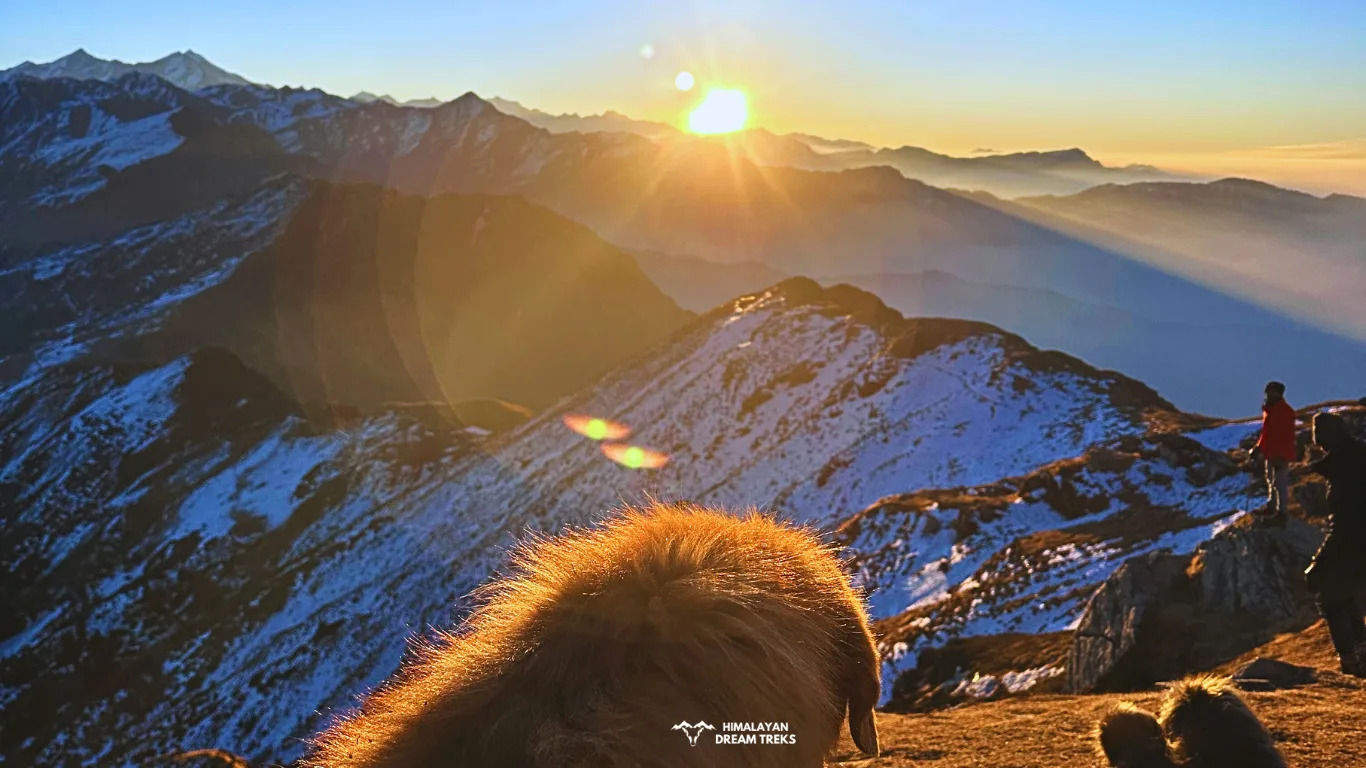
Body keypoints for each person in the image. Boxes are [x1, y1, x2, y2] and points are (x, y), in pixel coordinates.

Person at [1304, 411, 1366, 676]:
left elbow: (1343, 523)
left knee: (1329, 594)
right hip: (1357, 543)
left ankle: (1350, 660)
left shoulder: (1344, 469)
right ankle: (1359, 654)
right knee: (1348, 595)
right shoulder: (1355, 458)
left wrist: (1319, 561)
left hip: (1353, 542)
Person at [1250, 381, 1295, 522]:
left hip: (1279, 453)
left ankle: (1282, 513)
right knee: (1271, 480)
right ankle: (1272, 506)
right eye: (1268, 392)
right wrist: (1259, 447)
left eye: (1272, 392)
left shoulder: (1284, 411)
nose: (1269, 394)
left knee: (1279, 482)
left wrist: (1281, 455)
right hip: (1271, 452)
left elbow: (1286, 434)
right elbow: (1267, 433)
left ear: (1279, 393)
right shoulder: (1270, 411)